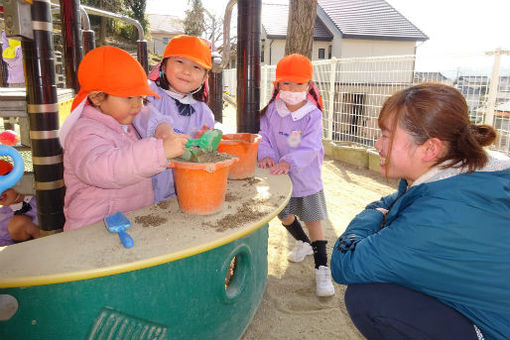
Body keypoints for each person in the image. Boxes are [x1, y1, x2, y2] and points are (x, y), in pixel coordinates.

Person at [330, 83, 510, 340]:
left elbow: (344, 263)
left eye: (386, 135)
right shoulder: (467, 173)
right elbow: (396, 198)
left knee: (368, 298)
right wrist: (380, 209)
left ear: (430, 149)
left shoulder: (437, 217)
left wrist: (371, 215)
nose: (377, 144)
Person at [59, 46, 188, 231]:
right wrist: (159, 151)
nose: (137, 104)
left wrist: (163, 129)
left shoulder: (125, 123)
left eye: (140, 97)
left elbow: (147, 113)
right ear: (97, 97)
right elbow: (105, 169)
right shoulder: (84, 132)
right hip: (93, 231)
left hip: (128, 224)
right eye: (128, 97)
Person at [257, 54, 334, 297]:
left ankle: (322, 268)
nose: (292, 89)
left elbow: (310, 146)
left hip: (305, 176)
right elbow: (265, 135)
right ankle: (302, 243)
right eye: (286, 83)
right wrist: (267, 154)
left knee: (313, 220)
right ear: (277, 85)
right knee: (284, 214)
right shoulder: (272, 110)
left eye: (299, 84)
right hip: (279, 176)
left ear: (309, 85)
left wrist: (288, 162)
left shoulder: (313, 114)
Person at [133, 34, 214, 203]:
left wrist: (202, 145)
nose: (187, 71)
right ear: (163, 64)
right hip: (144, 192)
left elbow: (202, 156)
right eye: (179, 62)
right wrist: (160, 129)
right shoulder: (148, 93)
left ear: (205, 77)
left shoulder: (204, 113)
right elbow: (141, 113)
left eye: (196, 67)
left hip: (183, 191)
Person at [0, 160, 39, 245]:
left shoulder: (40, 195)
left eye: (2, 184)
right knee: (18, 223)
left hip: (60, 235)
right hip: (33, 251)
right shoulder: (3, 216)